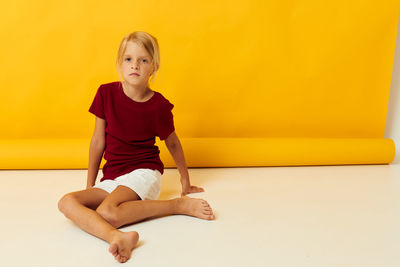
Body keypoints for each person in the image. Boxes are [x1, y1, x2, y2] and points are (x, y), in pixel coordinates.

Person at [58, 31, 215, 264]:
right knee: (66, 202)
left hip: (143, 172)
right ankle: (118, 236)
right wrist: (90, 184)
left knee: (106, 212)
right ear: (120, 64)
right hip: (113, 177)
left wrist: (185, 181)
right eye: (129, 59)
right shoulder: (106, 93)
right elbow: (97, 141)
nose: (135, 66)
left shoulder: (158, 105)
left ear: (153, 67)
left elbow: (172, 142)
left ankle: (176, 205)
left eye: (143, 60)